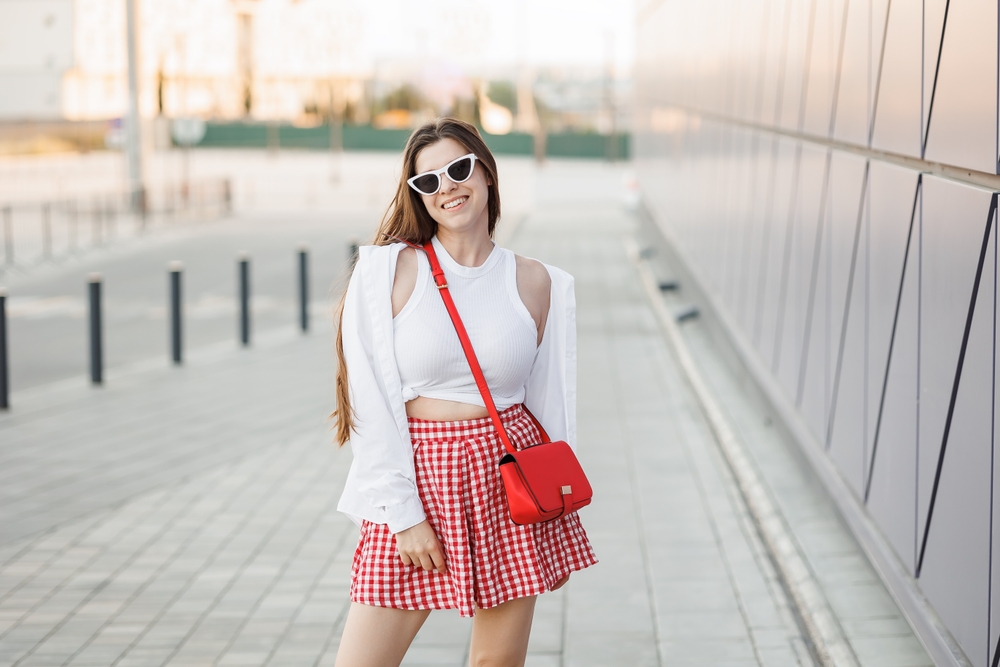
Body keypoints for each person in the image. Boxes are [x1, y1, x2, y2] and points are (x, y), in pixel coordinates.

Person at [332, 117, 597, 667]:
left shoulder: (539, 281)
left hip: (506, 475)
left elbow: (550, 408)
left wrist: (556, 506)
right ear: (417, 195)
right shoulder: (387, 271)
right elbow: (370, 402)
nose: (446, 187)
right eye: (427, 181)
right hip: (417, 475)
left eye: (457, 169)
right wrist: (402, 513)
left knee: (494, 664)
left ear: (486, 173)